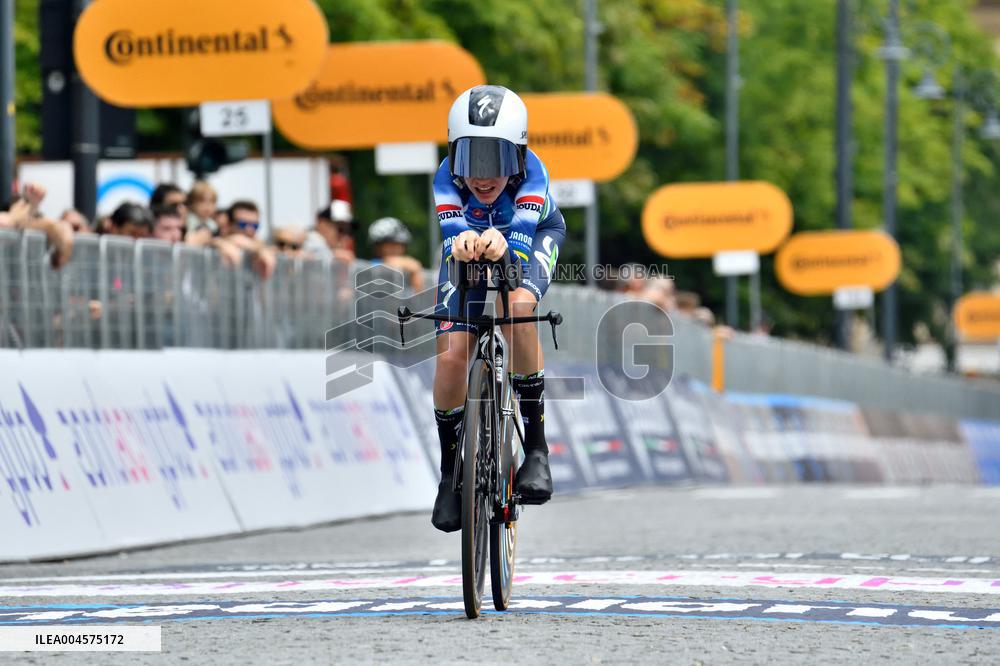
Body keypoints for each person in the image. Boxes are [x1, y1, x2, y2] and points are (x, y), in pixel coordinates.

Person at [429, 85, 566, 532]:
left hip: (532, 236)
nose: (483, 177)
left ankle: (537, 451)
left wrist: (504, 245)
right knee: (451, 354)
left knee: (518, 309)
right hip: (470, 249)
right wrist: (461, 242)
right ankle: (450, 474)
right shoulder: (445, 179)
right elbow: (453, 235)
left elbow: (519, 248)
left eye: (498, 160)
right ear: (453, 155)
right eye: (471, 160)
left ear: (520, 158)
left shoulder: (535, 177)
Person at [367, 216, 424, 291]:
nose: (397, 249)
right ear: (378, 246)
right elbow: (381, 265)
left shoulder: (406, 271)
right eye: (391, 244)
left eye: (401, 245)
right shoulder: (368, 268)